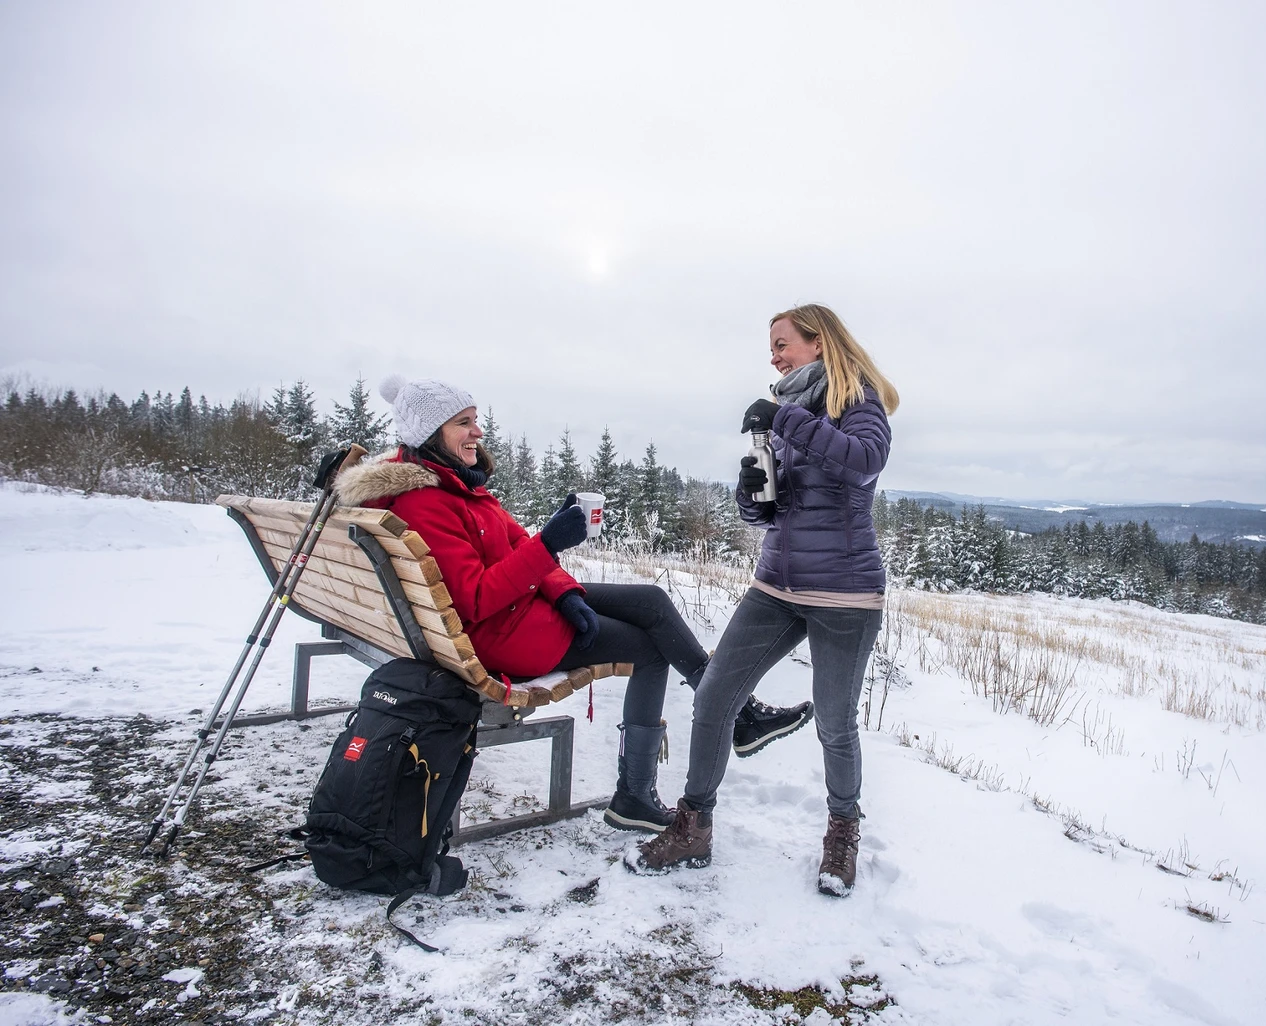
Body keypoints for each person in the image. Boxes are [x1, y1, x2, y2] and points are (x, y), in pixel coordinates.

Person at [333, 375, 811, 833]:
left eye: (475, 419)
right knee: (649, 649)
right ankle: (638, 794)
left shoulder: (455, 485)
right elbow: (477, 599)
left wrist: (562, 590)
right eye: (463, 422)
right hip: (503, 637)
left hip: (513, 611)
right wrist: (549, 545)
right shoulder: (428, 502)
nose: (477, 431)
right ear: (429, 433)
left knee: (650, 600)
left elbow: (518, 546)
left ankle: (737, 713)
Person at [628, 304, 899, 897]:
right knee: (714, 694)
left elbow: (864, 462)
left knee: (834, 722)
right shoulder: (787, 413)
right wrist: (752, 495)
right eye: (771, 347)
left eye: (782, 344)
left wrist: (783, 419)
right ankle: (693, 826)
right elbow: (775, 509)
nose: (773, 357)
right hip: (776, 584)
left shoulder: (858, 401)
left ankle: (842, 832)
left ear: (819, 342)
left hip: (845, 592)